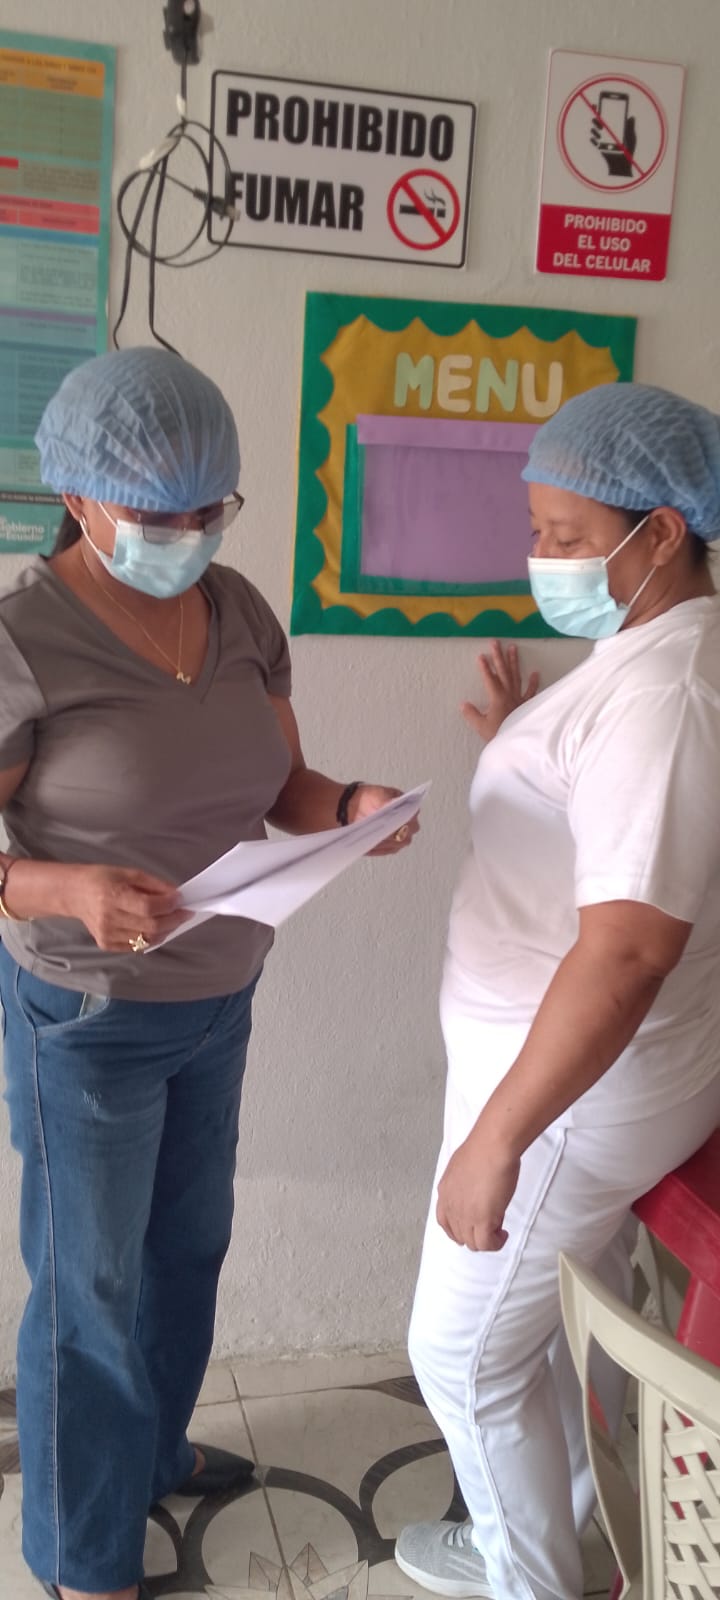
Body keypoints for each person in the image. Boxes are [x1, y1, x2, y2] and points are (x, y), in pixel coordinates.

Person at [0, 346, 418, 1600]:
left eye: (207, 508)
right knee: (91, 1286)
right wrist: (70, 888)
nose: (185, 534)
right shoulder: (25, 636)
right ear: (77, 496)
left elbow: (283, 784)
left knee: (188, 1247)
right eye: (156, 511)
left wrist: (350, 804)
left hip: (220, 995)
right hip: (87, 1012)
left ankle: (154, 1450)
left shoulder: (238, 611)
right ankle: (82, 1555)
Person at [395, 382, 720, 1600]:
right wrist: (530, 748)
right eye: (537, 528)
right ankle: (544, 1533)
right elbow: (624, 825)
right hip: (574, 1072)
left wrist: (499, 1140)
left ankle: (529, 1580)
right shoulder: (648, 661)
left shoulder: (667, 691)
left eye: (569, 535)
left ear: (662, 532)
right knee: (535, 1331)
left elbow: (628, 951)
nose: (543, 556)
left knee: (461, 1357)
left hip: (570, 1092)